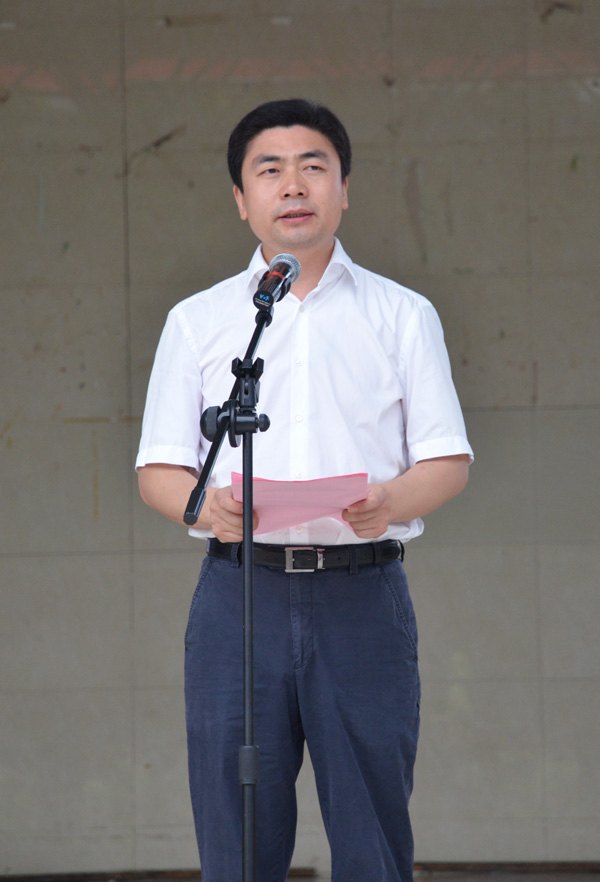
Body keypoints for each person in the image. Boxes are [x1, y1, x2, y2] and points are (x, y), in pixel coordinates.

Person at [136, 98, 473, 882]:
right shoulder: (200, 321)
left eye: (313, 166)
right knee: (237, 830)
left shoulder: (402, 314)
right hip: (239, 595)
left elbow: (447, 461)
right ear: (241, 199)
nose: (293, 185)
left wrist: (389, 503)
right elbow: (159, 470)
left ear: (344, 188)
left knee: (372, 832)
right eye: (270, 170)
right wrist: (205, 507)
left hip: (362, 594)